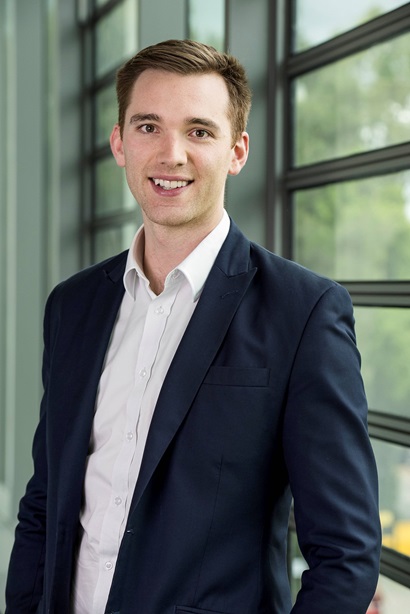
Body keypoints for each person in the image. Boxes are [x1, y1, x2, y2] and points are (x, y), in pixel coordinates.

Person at [5, 39, 381, 614]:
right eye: (148, 126)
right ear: (119, 143)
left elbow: (346, 554)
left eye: (199, 131)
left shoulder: (303, 312)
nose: (171, 153)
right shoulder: (73, 306)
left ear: (237, 151)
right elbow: (46, 502)